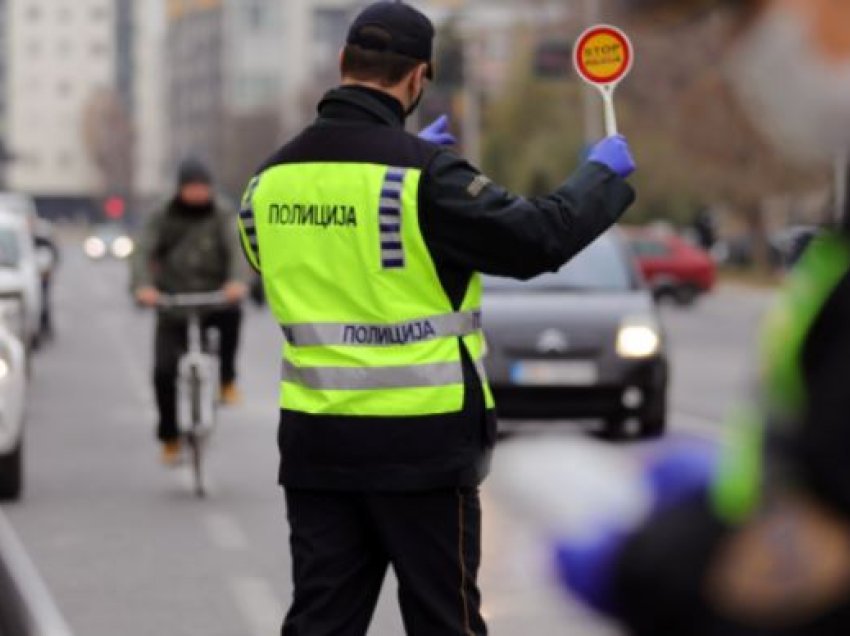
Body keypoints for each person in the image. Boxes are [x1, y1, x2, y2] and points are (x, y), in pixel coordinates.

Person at [237, 2, 636, 634]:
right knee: (442, 619)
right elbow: (536, 239)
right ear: (419, 77)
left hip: (317, 444)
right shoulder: (424, 177)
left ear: (343, 64)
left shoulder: (267, 181)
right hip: (421, 446)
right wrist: (600, 177)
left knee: (322, 620)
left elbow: (279, 260)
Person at [132, 159, 249, 464]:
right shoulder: (162, 215)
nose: (198, 193)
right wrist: (144, 287)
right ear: (181, 189)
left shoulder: (222, 214)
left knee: (233, 317)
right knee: (163, 372)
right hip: (173, 303)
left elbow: (237, 249)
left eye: (203, 187)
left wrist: (237, 282)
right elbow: (143, 250)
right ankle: (170, 437)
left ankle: (227, 380)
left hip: (214, 299)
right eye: (192, 187)